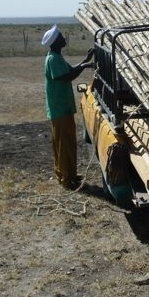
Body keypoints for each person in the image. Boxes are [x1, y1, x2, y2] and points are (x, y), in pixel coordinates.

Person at [42, 24, 95, 190]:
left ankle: (68, 173)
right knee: (64, 143)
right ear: (56, 41)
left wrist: (85, 61)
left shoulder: (56, 57)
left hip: (62, 107)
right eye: (61, 36)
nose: (64, 38)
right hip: (59, 108)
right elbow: (66, 77)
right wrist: (85, 66)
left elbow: (71, 70)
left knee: (66, 142)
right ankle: (66, 178)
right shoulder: (53, 59)